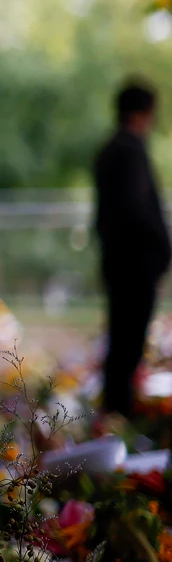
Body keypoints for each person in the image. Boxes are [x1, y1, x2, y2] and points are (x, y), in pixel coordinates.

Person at [94, 82, 171, 416]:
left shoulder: (108, 150)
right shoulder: (130, 150)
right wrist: (161, 249)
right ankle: (119, 411)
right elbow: (138, 209)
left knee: (120, 336)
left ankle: (116, 407)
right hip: (134, 263)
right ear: (145, 113)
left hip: (117, 260)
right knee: (128, 340)